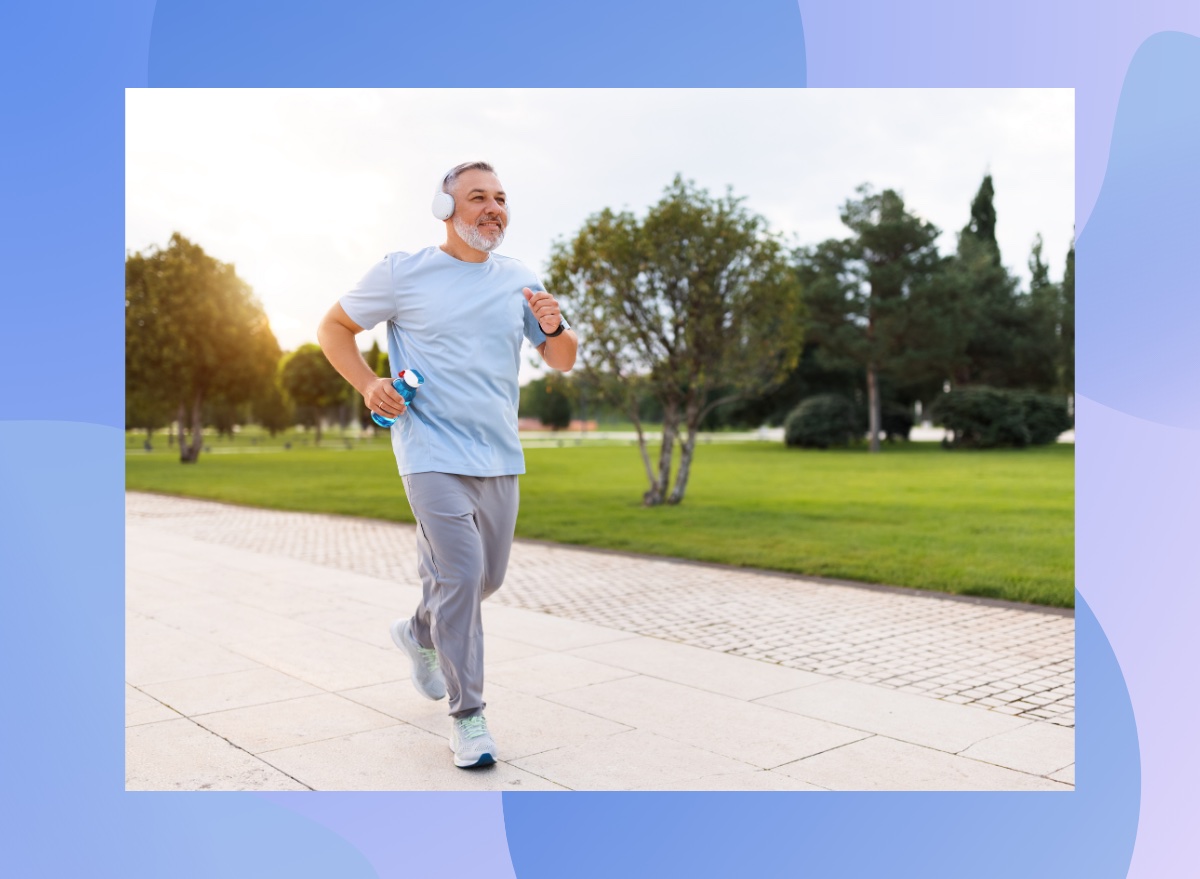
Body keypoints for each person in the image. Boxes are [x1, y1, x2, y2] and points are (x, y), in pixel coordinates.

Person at [317, 161, 577, 768]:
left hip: (499, 454)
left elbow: (562, 358)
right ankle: (469, 719)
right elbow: (333, 327)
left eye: (502, 199)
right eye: (478, 197)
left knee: (485, 580)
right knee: (461, 577)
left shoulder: (519, 281)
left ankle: (420, 632)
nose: (494, 209)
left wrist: (553, 324)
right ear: (446, 209)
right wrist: (366, 383)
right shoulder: (402, 272)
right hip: (428, 451)